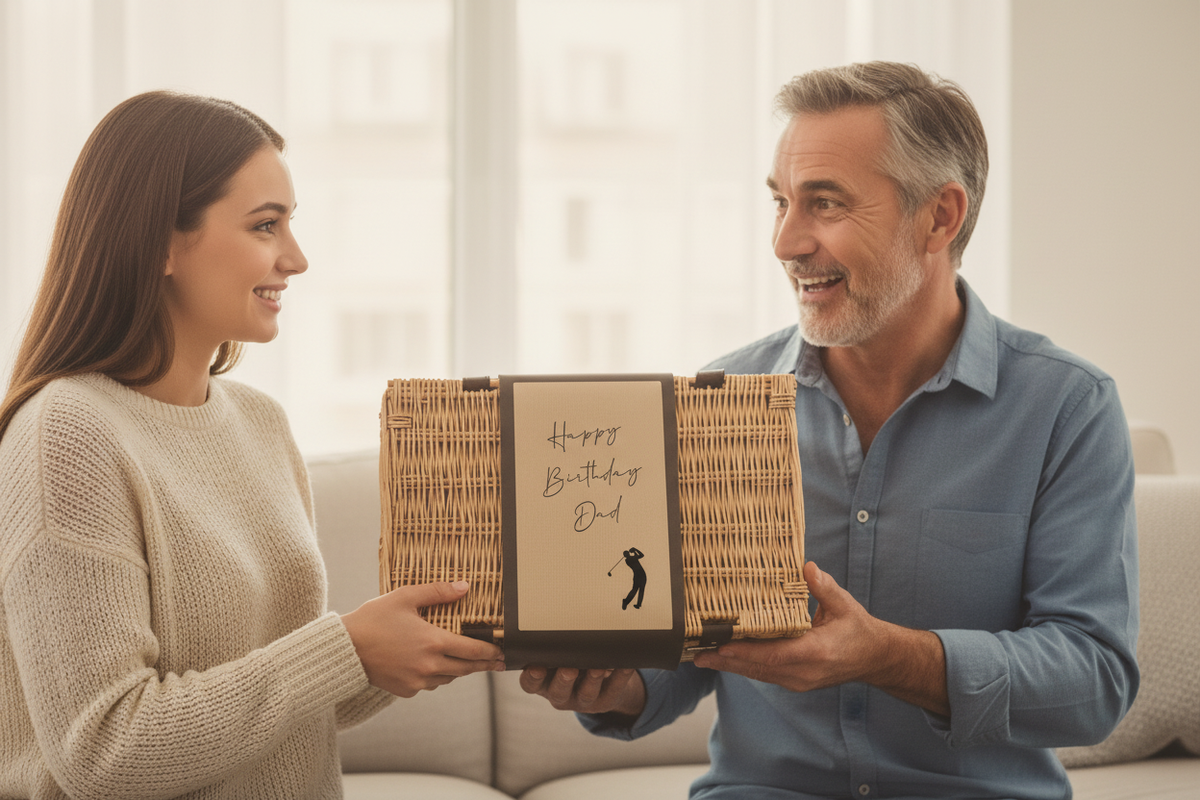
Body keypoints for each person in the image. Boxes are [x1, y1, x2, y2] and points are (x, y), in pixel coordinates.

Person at [520, 61, 1138, 798]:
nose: (786, 242)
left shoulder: (1068, 408)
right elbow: (689, 649)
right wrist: (616, 686)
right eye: (780, 202)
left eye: (825, 204)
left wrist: (890, 656)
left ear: (940, 216)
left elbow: (1094, 680)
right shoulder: (724, 398)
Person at [0, 91, 503, 799]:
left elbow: (281, 710)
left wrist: (416, 646)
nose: (295, 259)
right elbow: (105, 749)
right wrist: (347, 647)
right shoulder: (68, 435)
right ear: (162, 242)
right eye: (266, 226)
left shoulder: (260, 423)